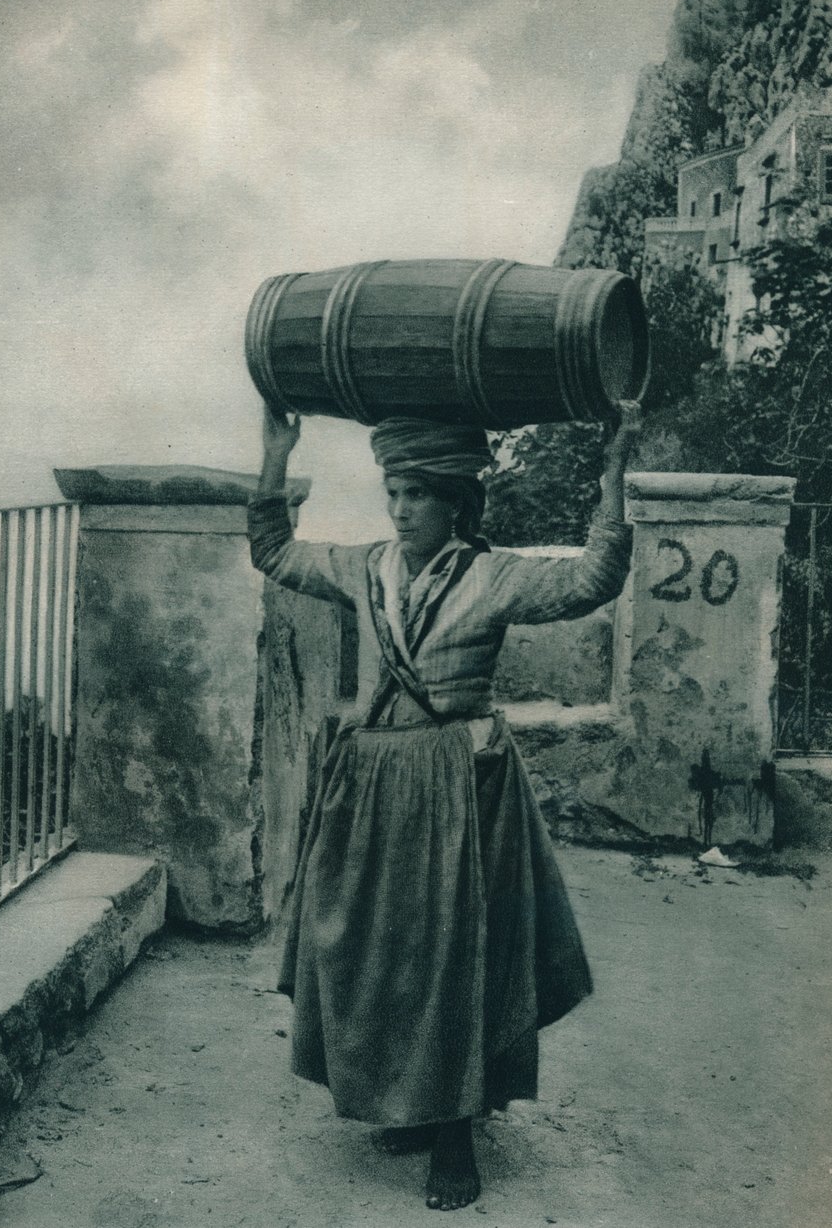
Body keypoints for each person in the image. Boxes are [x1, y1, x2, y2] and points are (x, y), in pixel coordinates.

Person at [248, 404, 638, 1211]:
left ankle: (455, 1131)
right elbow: (275, 553)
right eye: (393, 491)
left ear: (456, 502)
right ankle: (408, 1101)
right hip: (369, 786)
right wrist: (275, 455)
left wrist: (613, 475)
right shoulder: (362, 567)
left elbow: (592, 580)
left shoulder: (493, 577)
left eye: (418, 495)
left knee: (454, 956)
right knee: (375, 947)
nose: (399, 509)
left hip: (461, 784)